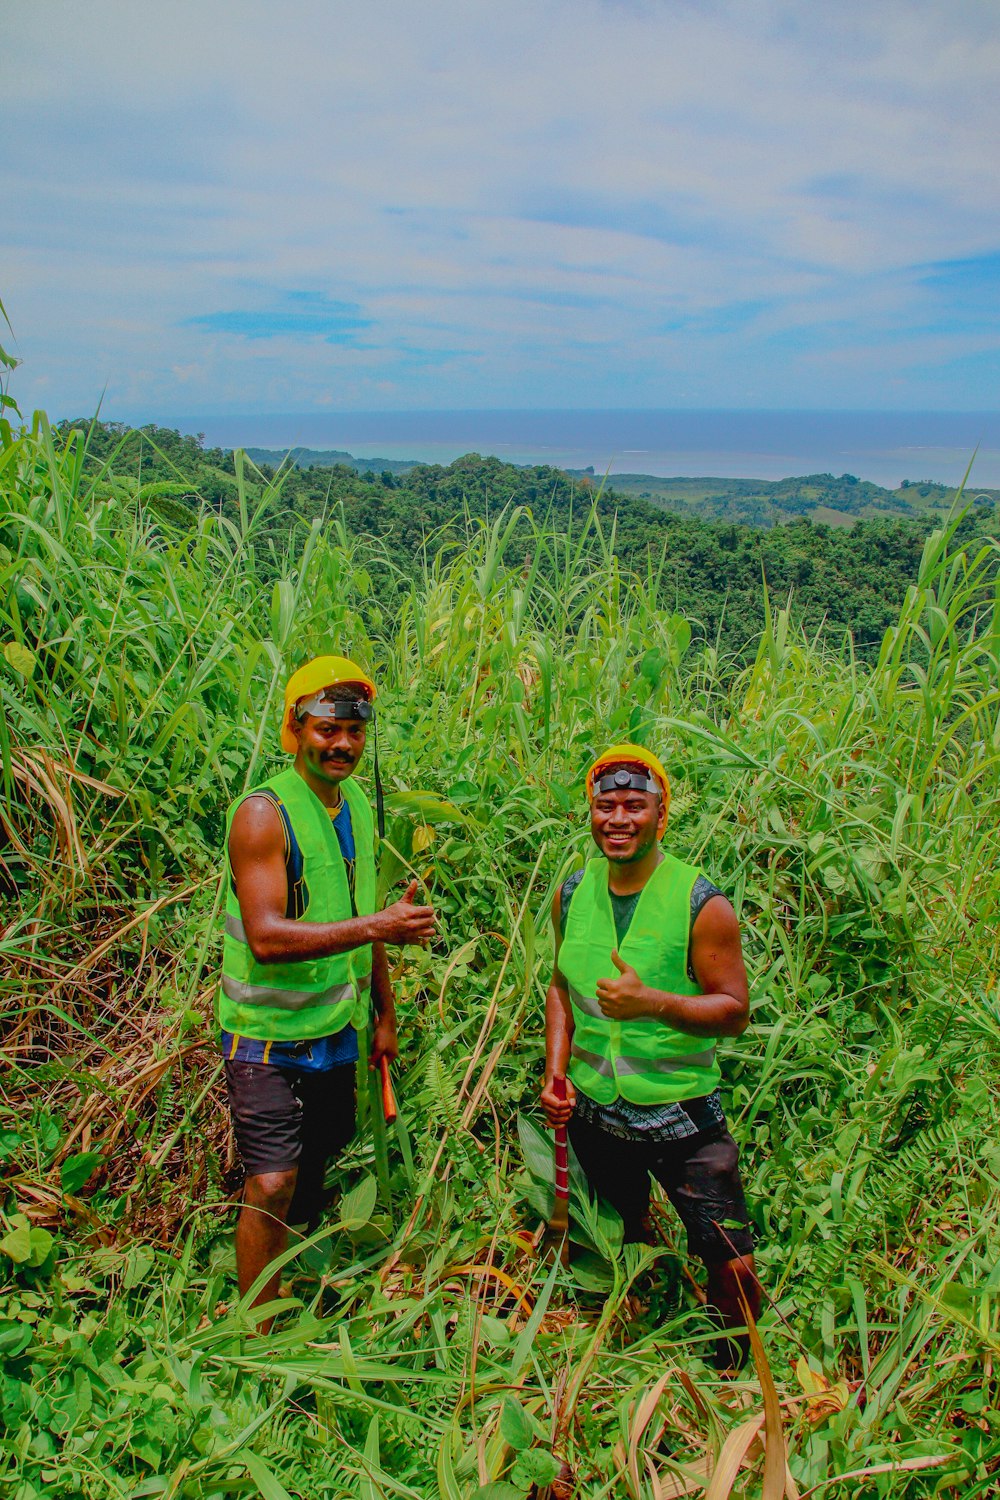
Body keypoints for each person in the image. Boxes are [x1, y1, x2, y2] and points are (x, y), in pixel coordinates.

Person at [219, 655, 435, 1323]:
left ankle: (291, 1257)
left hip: (336, 1027)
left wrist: (383, 1015)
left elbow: (359, 910)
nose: (342, 744)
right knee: (274, 1178)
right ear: (296, 728)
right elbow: (266, 937)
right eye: (326, 728)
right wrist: (382, 925)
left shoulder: (358, 805)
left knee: (324, 1147)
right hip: (266, 1034)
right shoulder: (263, 814)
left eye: (354, 732)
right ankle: (257, 1328)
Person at [540, 743, 759, 1368]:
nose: (618, 818)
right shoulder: (574, 891)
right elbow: (561, 987)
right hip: (596, 1114)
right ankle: (633, 1335)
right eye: (605, 806)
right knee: (622, 1230)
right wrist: (556, 1071)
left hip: (680, 1115)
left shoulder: (701, 902)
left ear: (662, 817)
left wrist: (653, 1003)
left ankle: (738, 1373)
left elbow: (734, 1011)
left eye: (635, 806)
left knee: (731, 1260)